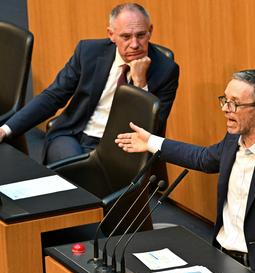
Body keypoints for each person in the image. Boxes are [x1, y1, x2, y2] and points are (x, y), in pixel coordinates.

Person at [115, 69, 255, 273]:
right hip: (223, 262)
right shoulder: (232, 141)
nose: (225, 109)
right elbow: (202, 158)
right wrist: (151, 142)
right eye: (224, 100)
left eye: (234, 104)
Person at [0, 2, 179, 164]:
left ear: (150, 31)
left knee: (84, 180)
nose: (134, 44)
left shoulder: (165, 70)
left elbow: (152, 128)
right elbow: (53, 96)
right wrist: (6, 129)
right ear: (111, 35)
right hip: (74, 134)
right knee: (71, 168)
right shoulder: (88, 52)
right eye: (126, 36)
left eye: (141, 35)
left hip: (123, 147)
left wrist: (140, 83)